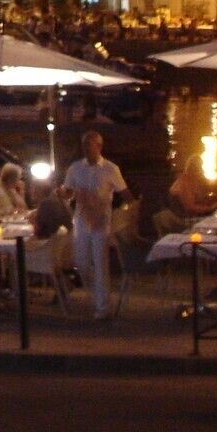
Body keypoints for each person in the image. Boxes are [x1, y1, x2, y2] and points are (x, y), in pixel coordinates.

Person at [62, 132, 127, 319]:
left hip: (101, 221)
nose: (86, 150)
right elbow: (68, 192)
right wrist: (63, 193)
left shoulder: (110, 169)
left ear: (99, 147)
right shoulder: (75, 168)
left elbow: (125, 193)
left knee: (100, 263)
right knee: (81, 262)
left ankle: (102, 307)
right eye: (84, 146)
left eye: (89, 146)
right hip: (82, 219)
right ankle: (96, 293)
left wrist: (123, 216)